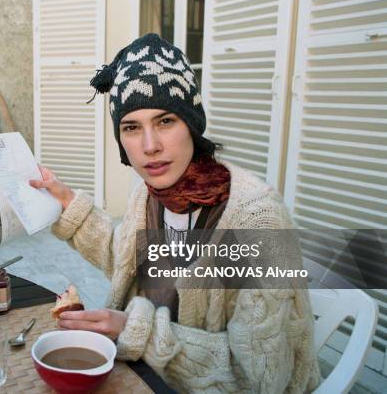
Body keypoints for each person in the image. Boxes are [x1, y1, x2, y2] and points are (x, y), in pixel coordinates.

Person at [30, 33, 321, 393]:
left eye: (165, 121)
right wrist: (66, 200)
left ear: (191, 125)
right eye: (132, 127)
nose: (150, 146)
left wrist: (133, 329)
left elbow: (258, 378)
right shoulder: (150, 195)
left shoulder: (258, 219)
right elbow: (125, 260)